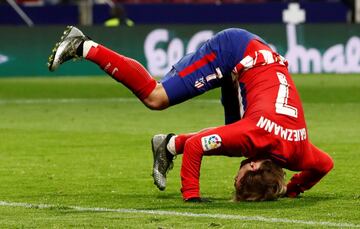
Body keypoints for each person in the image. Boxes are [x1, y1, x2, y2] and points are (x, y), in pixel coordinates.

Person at [47, 26, 334, 202]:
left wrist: (293, 189)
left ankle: (168, 145)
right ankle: (83, 45)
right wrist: (192, 196)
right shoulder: (254, 135)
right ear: (256, 167)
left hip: (256, 60)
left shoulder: (298, 154)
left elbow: (325, 165)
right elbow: (198, 146)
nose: (236, 177)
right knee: (156, 98)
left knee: (233, 142)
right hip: (233, 51)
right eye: (241, 176)